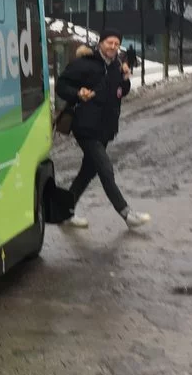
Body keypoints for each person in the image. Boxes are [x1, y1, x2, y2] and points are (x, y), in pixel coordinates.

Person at [55, 31, 151, 230]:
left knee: (87, 172)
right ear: (100, 43)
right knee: (105, 169)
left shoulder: (116, 66)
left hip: (105, 128)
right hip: (85, 126)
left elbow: (121, 92)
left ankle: (64, 211)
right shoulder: (85, 63)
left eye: (117, 43)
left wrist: (124, 78)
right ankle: (126, 213)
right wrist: (78, 93)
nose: (113, 46)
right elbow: (61, 85)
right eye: (109, 42)